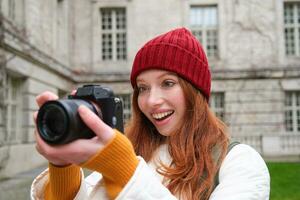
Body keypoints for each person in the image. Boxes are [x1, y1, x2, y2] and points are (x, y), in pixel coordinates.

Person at [31, 27, 270, 200]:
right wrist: (62, 165)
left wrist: (123, 170)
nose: (151, 101)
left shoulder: (239, 162)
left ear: (195, 92)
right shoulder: (134, 151)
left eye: (168, 83)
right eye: (143, 88)